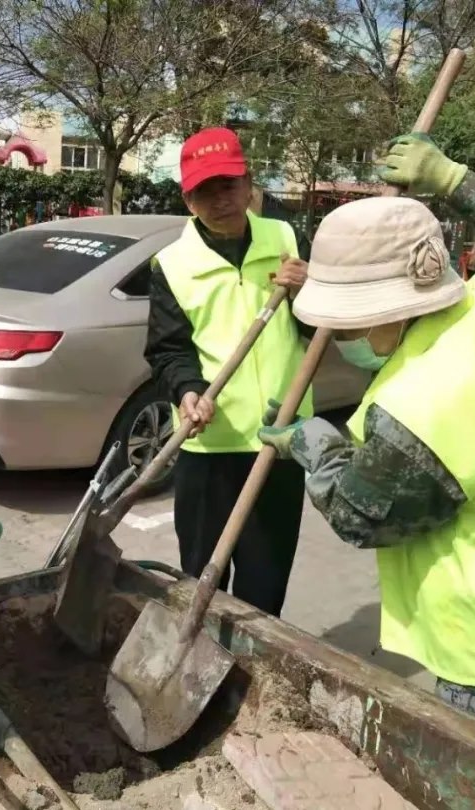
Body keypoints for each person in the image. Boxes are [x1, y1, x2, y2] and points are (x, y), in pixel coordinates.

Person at [257, 132, 475, 787]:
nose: (343, 339)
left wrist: (310, 442)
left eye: (348, 325)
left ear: (388, 312)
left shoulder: (416, 409)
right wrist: (449, 175)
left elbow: (359, 513)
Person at [144, 127, 311, 616]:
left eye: (229, 185)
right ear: (188, 198)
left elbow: (321, 327)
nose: (220, 199)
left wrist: (308, 289)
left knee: (266, 580)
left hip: (280, 440)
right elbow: (167, 350)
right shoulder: (172, 265)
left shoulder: (286, 240)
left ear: (249, 184)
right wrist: (188, 392)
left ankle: (254, 673)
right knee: (200, 581)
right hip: (210, 447)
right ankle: (203, 666)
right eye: (205, 190)